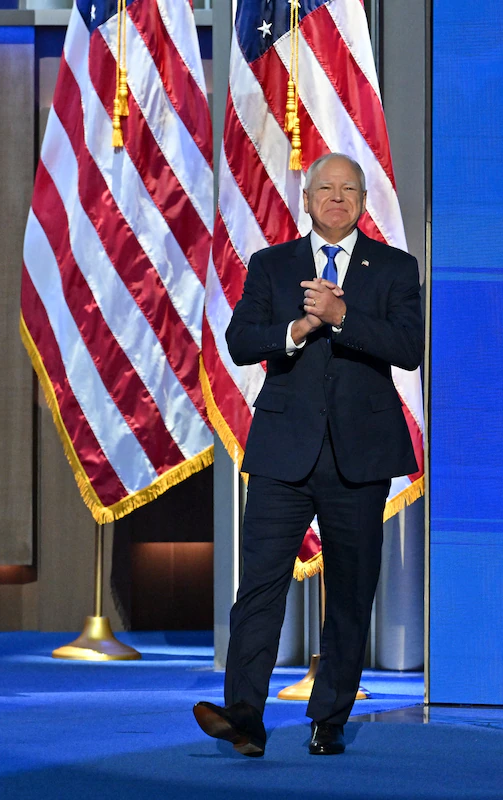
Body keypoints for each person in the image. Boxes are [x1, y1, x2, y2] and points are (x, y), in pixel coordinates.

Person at [193, 153, 422, 757]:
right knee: (259, 588)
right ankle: (245, 714)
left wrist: (344, 317)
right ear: (307, 197)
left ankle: (329, 719)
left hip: (360, 456)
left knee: (350, 589)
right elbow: (240, 341)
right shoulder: (273, 265)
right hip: (281, 455)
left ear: (364, 202)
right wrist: (294, 332)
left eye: (349, 189)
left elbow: (409, 348)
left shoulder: (395, 268)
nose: (337, 197)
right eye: (327, 187)